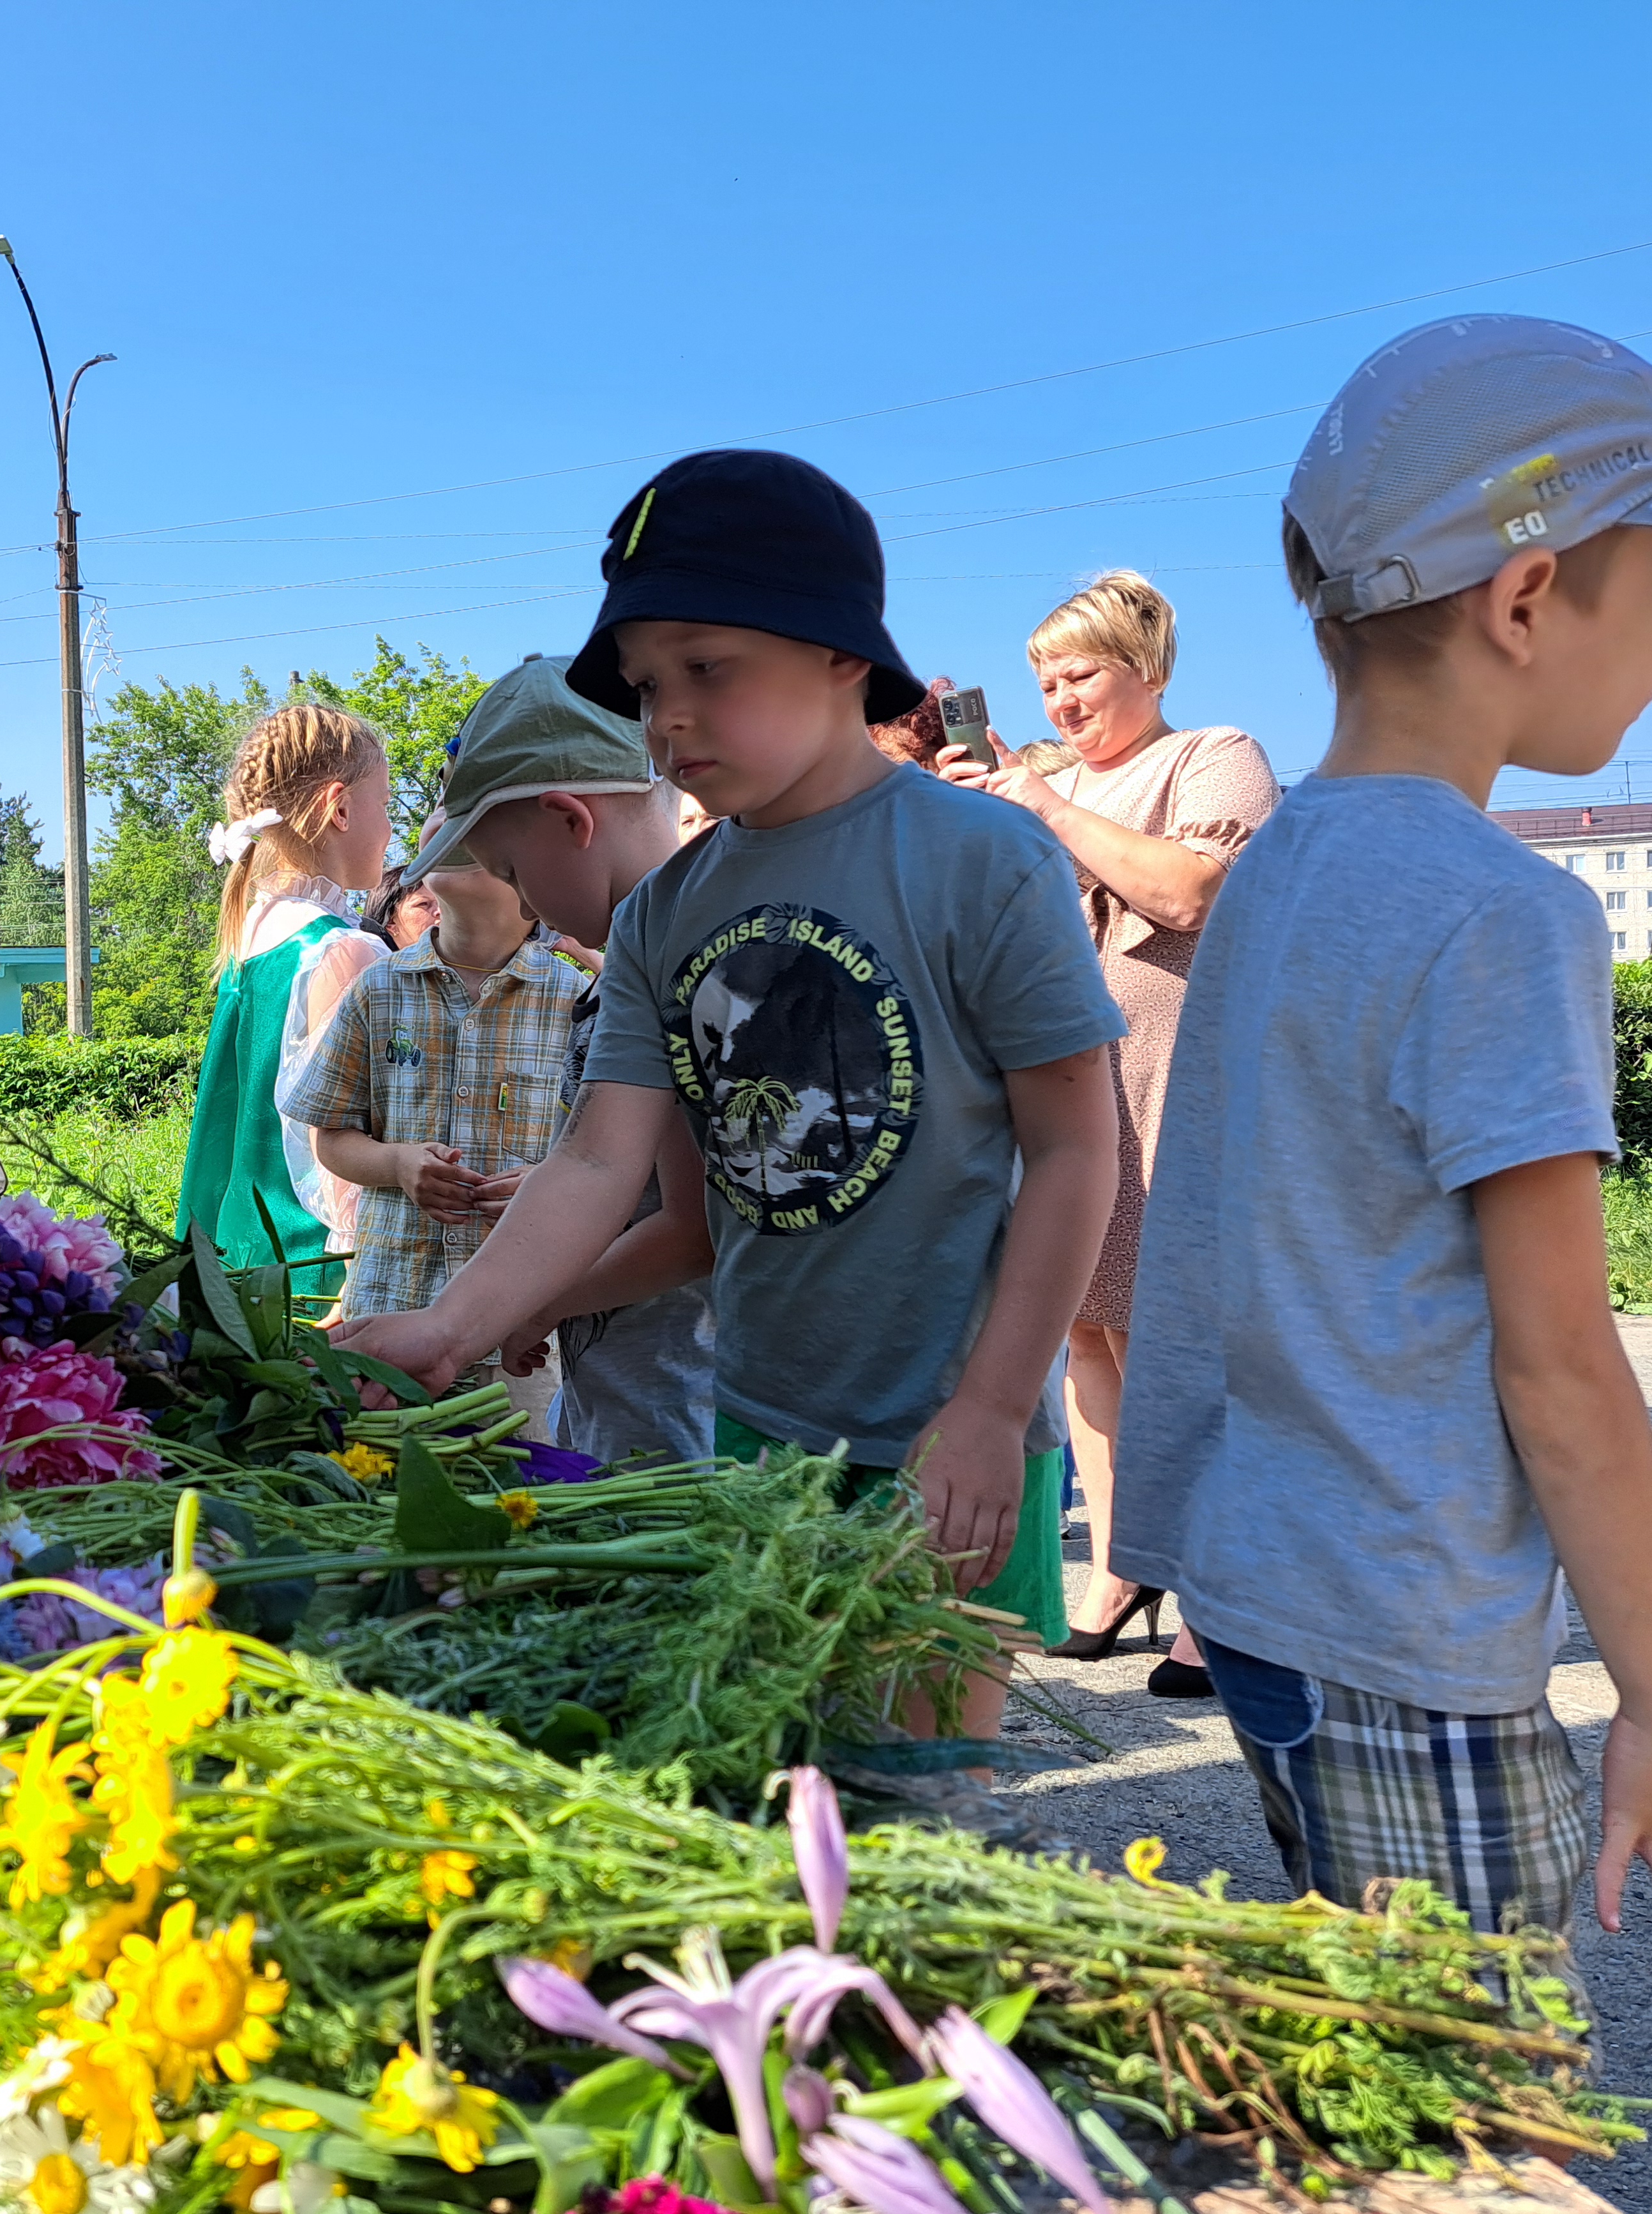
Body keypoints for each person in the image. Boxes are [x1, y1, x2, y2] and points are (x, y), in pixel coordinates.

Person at [1116, 313, 1652, 1954]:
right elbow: (1558, 1361)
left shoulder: (1273, 868)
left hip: (1254, 1589)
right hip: (1404, 1627)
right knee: (1478, 2089)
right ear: (1525, 597)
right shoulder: (1499, 911)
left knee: (1369, 2032)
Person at [338, 449, 1126, 1729]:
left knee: (922, 1793)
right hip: (760, 1426)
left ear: (837, 654)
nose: (667, 718)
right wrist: (454, 1323)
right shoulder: (662, 919)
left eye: (706, 668)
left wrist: (989, 1406)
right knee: (789, 1775)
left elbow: (1074, 1149)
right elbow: (598, 1166)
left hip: (947, 1434)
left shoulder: (983, 858)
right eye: (647, 686)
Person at [937, 572, 1279, 1699]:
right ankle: (1123, 1566)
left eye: (1078, 672)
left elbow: (1193, 892)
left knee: (1186, 1346)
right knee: (1086, 1331)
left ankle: (1223, 1594)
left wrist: (1039, 807)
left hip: (1183, 1079)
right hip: (1064, 1088)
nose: (1058, 697)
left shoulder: (1210, 754)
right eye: (1043, 679)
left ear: (1147, 668)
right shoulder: (1040, 782)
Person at [400, 651, 717, 1470]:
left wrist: (529, 1306)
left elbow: (691, 1229)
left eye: (511, 869)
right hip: (632, 1383)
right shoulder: (648, 951)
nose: (524, 902)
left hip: (700, 1399)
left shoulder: (690, 944)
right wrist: (459, 1325)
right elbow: (592, 1159)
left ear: (571, 819)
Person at [283, 852, 586, 1420]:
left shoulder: (578, 1002)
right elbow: (331, 1139)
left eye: (483, 835)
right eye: (448, 822)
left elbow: (601, 1161)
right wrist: (397, 1163)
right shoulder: (378, 988)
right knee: (379, 1471)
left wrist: (548, 1186)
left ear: (534, 894)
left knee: (516, 1481)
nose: (460, 836)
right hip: (391, 1307)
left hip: (520, 1330)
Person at [174, 702, 394, 1279]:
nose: (392, 829)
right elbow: (341, 1146)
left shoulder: (255, 938)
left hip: (244, 1261)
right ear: (340, 806)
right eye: (387, 805)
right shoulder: (344, 950)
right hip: (322, 1269)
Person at [362, 866, 439, 952]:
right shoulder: (366, 961)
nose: (440, 911)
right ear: (391, 923)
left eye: (442, 903)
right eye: (423, 904)